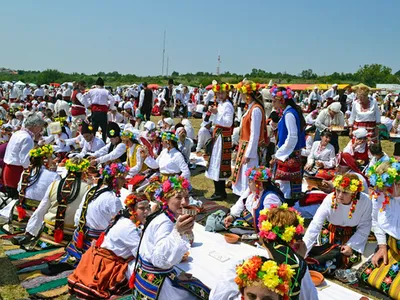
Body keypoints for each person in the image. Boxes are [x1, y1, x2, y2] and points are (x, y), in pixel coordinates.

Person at [211, 204, 318, 300]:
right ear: (294, 240)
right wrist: (300, 259)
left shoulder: (246, 260)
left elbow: (218, 295)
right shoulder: (297, 263)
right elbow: (310, 297)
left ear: (262, 233)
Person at [42, 162, 129, 275]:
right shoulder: (113, 199)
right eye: (122, 178)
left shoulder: (92, 190)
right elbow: (117, 225)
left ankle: (71, 259)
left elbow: (79, 215)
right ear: (114, 179)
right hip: (94, 240)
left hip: (79, 235)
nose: (125, 181)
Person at [130, 176, 209, 300]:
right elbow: (160, 260)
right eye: (178, 197)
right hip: (157, 285)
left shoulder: (166, 216)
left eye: (187, 197)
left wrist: (185, 231)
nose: (184, 202)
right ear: (166, 200)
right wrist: (178, 231)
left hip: (147, 278)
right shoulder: (164, 222)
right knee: (202, 293)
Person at [68, 193, 150, 299]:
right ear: (131, 209)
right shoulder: (128, 227)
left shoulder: (127, 220)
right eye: (142, 208)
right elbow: (142, 255)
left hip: (107, 258)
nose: (147, 211)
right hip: (107, 265)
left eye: (148, 207)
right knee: (146, 271)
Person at [13, 157, 91, 249]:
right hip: (71, 236)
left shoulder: (54, 184)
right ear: (83, 173)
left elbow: (41, 209)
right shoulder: (88, 189)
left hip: (49, 233)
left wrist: (30, 232)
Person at [303, 174, 372, 274]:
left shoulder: (365, 201)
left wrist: (351, 246)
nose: (339, 195)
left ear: (354, 193)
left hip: (351, 234)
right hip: (330, 230)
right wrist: (304, 250)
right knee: (323, 256)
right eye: (338, 190)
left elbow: (365, 225)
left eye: (345, 192)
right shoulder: (329, 199)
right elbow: (315, 224)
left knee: (347, 259)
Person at [359, 158, 400, 299]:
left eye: (386, 188)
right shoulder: (381, 195)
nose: (383, 192)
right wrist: (382, 246)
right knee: (367, 276)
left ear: (398, 184)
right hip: (393, 248)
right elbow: (375, 220)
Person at [2, 145, 58, 234]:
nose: (53, 160)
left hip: (21, 212)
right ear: (45, 160)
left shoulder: (26, 172)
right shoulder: (53, 176)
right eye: (51, 157)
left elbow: (19, 189)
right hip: (38, 214)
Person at [270, 86, 306, 203]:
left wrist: (280, 154)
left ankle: (288, 207)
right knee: (287, 186)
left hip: (289, 154)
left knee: (286, 186)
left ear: (282, 101)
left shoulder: (289, 114)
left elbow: (292, 137)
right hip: (289, 153)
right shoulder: (288, 112)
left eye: (274, 100)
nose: (272, 103)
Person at [232, 81, 266, 197]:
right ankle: (243, 198)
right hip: (244, 146)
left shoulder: (255, 110)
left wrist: (249, 153)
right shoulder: (250, 108)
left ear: (247, 94)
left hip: (250, 148)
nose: (240, 96)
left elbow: (254, 134)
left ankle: (248, 199)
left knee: (248, 175)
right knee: (243, 175)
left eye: (241, 93)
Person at [223, 166, 284, 230]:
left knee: (234, 228)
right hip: (248, 223)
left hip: (260, 229)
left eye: (250, 181)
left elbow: (268, 223)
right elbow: (240, 204)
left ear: (259, 184)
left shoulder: (270, 198)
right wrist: (232, 216)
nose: (248, 184)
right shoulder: (252, 192)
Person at [3, 113, 46, 198]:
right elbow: (26, 162)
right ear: (35, 126)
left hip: (8, 170)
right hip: (16, 172)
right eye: (40, 127)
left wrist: (36, 141)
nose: (40, 130)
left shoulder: (17, 133)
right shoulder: (27, 138)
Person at [205, 83, 234, 200]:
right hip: (218, 134)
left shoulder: (228, 105)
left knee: (219, 163)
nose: (220, 95)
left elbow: (228, 123)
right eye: (218, 93)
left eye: (222, 93)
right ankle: (218, 191)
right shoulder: (221, 104)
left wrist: (217, 114)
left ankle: (221, 192)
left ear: (227, 93)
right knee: (215, 162)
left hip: (223, 135)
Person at [81, 77, 115, 142]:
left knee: (94, 129)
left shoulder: (91, 91)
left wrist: (87, 105)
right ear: (103, 85)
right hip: (103, 112)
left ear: (96, 85)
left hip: (94, 112)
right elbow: (112, 100)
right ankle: (104, 142)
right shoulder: (106, 91)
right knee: (104, 130)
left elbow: (83, 97)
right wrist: (110, 107)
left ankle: (92, 142)